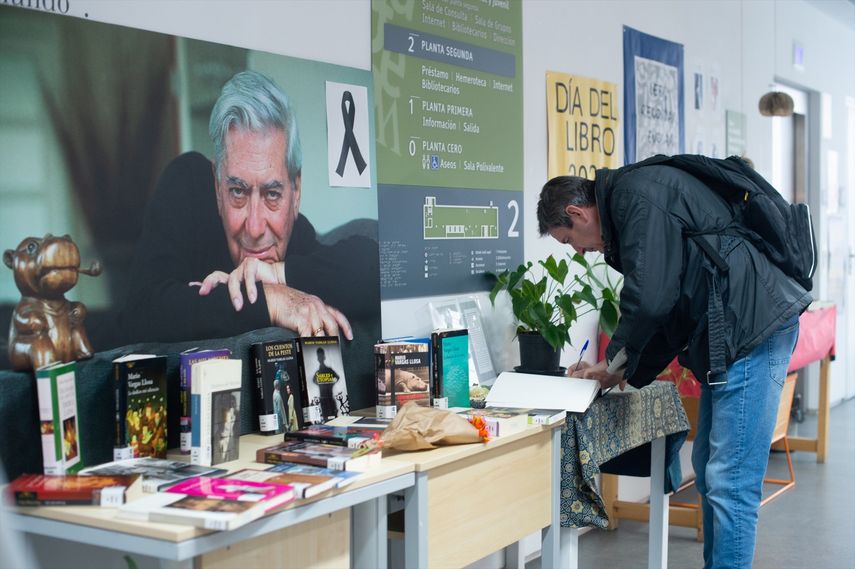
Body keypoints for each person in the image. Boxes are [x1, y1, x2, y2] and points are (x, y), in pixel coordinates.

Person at [537, 159, 810, 569]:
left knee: (730, 480)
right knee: (707, 467)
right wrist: (620, 370)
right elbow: (668, 310)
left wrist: (615, 360)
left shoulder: (635, 197)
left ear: (577, 213)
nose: (579, 251)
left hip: (752, 328)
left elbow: (651, 298)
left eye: (569, 240)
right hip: (735, 330)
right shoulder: (633, 201)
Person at [120, 70, 379, 343]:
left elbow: (379, 270)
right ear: (217, 188)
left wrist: (276, 273)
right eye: (238, 192)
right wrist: (272, 300)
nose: (255, 228)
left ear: (296, 191)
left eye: (272, 194)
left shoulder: (295, 236)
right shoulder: (189, 185)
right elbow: (139, 314)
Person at [312, 347, 340, 421]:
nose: (320, 358)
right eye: (319, 356)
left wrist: (331, 384)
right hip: (323, 399)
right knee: (327, 419)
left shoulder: (328, 370)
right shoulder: (318, 372)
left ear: (323, 357)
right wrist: (320, 384)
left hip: (329, 398)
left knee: (333, 418)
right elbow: (313, 380)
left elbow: (337, 377)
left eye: (321, 356)